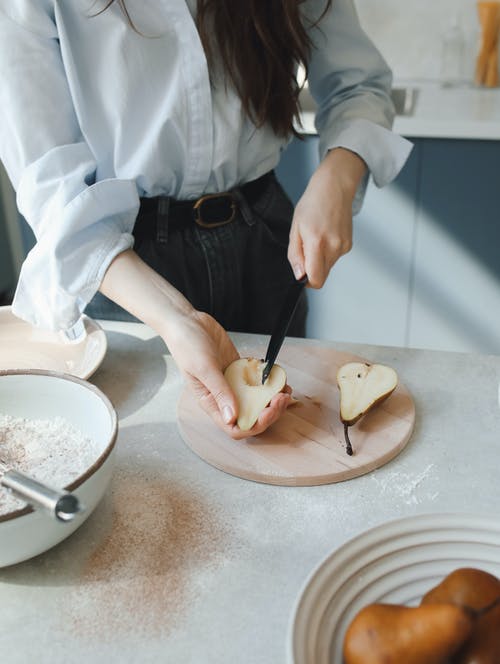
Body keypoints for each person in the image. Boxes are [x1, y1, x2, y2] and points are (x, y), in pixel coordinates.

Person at [0, 0, 412, 439]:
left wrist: (337, 176)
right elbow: (52, 183)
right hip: (122, 267)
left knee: (284, 441)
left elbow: (360, 85)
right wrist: (177, 319)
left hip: (265, 241)